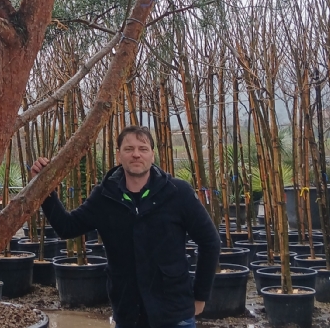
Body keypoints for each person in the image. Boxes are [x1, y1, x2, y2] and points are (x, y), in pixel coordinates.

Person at [30, 125, 220, 328]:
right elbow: (66, 227)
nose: (136, 154)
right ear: (119, 155)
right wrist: (44, 187)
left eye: (143, 148)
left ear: (152, 155)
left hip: (174, 314)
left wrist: (200, 295)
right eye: (129, 149)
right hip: (128, 313)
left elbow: (210, 241)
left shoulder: (177, 192)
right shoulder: (105, 197)